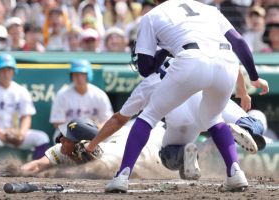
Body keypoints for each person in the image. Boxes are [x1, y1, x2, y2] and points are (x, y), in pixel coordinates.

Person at [90, 0, 269, 193]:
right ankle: (235, 173)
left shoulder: (152, 15)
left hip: (190, 62)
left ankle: (121, 177)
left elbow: (145, 69)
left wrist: (165, 48)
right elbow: (239, 42)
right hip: (227, 63)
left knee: (149, 116)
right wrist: (255, 77)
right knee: (213, 118)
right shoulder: (209, 9)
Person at [86, 63, 266, 180]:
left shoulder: (149, 82)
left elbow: (118, 120)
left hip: (181, 120)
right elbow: (231, 64)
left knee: (169, 156)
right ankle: (240, 129)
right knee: (256, 124)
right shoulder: (194, 52)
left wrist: (91, 145)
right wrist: (242, 92)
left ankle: (186, 155)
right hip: (212, 104)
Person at [20, 118, 165, 176]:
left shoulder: (108, 157)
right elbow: (37, 165)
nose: (62, 140)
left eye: (68, 139)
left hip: (147, 140)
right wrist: (20, 171)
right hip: (117, 135)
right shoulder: (64, 148)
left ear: (80, 146)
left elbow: (82, 171)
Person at [0, 54, 50, 173]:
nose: (6, 73)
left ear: (14, 71)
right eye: (3, 69)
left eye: (9, 69)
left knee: (42, 137)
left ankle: (37, 171)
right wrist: (0, 133)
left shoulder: (20, 90)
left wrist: (22, 134)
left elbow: (26, 116)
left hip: (16, 133)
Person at [49, 59, 113, 142]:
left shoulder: (99, 94)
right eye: (76, 75)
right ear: (71, 76)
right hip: (69, 134)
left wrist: (91, 132)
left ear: (88, 75)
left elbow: (107, 120)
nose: (79, 78)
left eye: (82, 74)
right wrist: (77, 132)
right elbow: (57, 123)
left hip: (94, 134)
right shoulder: (62, 94)